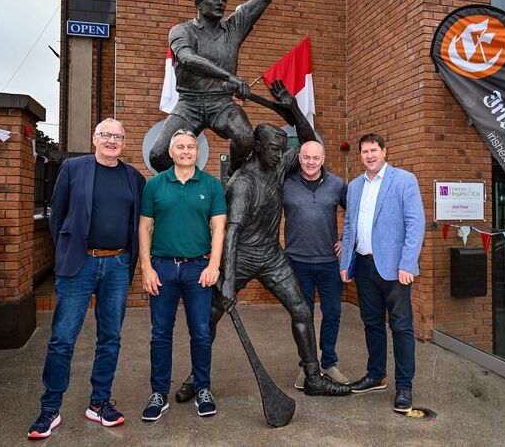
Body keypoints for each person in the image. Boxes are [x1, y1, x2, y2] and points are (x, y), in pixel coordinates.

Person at [176, 81, 351, 401]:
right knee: (211, 315)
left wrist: (294, 108)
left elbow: (310, 144)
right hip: (240, 255)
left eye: (283, 148)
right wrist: (227, 282)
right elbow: (231, 233)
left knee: (300, 309)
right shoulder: (243, 182)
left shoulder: (278, 166)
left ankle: (313, 376)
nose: (283, 153)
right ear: (258, 147)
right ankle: (197, 378)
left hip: (271, 255)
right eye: (275, 148)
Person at [28, 119, 146, 439]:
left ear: (124, 141)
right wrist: (70, 250)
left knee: (110, 338)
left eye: (118, 136)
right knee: (63, 339)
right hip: (79, 265)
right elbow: (58, 214)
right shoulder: (73, 168)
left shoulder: (134, 177)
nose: (111, 140)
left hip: (118, 265)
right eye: (105, 135)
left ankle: (99, 403)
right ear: (94, 138)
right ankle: (50, 408)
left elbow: (140, 222)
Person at [149, 0, 282, 174]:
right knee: (158, 156)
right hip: (189, 103)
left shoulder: (233, 27)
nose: (221, 2)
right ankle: (188, 184)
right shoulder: (182, 31)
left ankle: (232, 175)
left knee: (245, 138)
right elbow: (188, 59)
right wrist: (230, 77)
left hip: (221, 103)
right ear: (198, 3)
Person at [138, 129, 227, 420]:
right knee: (160, 333)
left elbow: (218, 228)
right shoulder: (155, 185)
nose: (186, 151)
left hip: (198, 269)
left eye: (190, 147)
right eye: (180, 147)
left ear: (197, 152)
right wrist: (146, 267)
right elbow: (144, 228)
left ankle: (203, 388)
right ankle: (158, 393)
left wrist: (214, 265)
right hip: (162, 268)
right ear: (171, 152)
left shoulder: (212, 185)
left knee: (201, 333)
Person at [339, 133, 425, 414]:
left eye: (374, 150)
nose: (369, 156)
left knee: (401, 327)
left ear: (385, 152)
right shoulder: (354, 187)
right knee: (371, 323)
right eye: (364, 152)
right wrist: (346, 263)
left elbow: (415, 225)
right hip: (364, 266)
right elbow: (350, 225)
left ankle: (404, 386)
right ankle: (376, 375)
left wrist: (407, 265)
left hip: (395, 269)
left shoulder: (404, 180)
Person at [283, 140, 349, 389]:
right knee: (303, 317)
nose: (311, 162)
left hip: (329, 262)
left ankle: (329, 363)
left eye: (316, 158)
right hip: (296, 262)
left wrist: (344, 239)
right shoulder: (286, 183)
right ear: (300, 158)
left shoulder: (337, 184)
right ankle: (307, 365)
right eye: (306, 157)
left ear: (323, 159)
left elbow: (354, 215)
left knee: (332, 313)